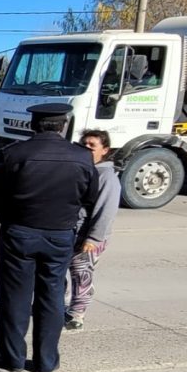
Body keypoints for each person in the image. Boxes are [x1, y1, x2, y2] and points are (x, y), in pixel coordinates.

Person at [0, 103, 98, 372]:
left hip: (19, 233)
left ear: (33, 125)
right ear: (64, 125)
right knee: (52, 296)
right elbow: (90, 199)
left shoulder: (15, 154)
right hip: (60, 236)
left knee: (15, 297)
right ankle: (45, 362)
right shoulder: (82, 157)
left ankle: (13, 359)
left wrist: (3, 208)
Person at [65, 129, 120, 331]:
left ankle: (76, 314)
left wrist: (93, 238)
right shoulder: (81, 169)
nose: (87, 148)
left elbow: (106, 211)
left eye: (92, 145)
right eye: (84, 144)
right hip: (68, 232)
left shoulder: (106, 177)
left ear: (104, 150)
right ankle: (58, 305)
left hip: (87, 237)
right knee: (59, 272)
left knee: (81, 275)